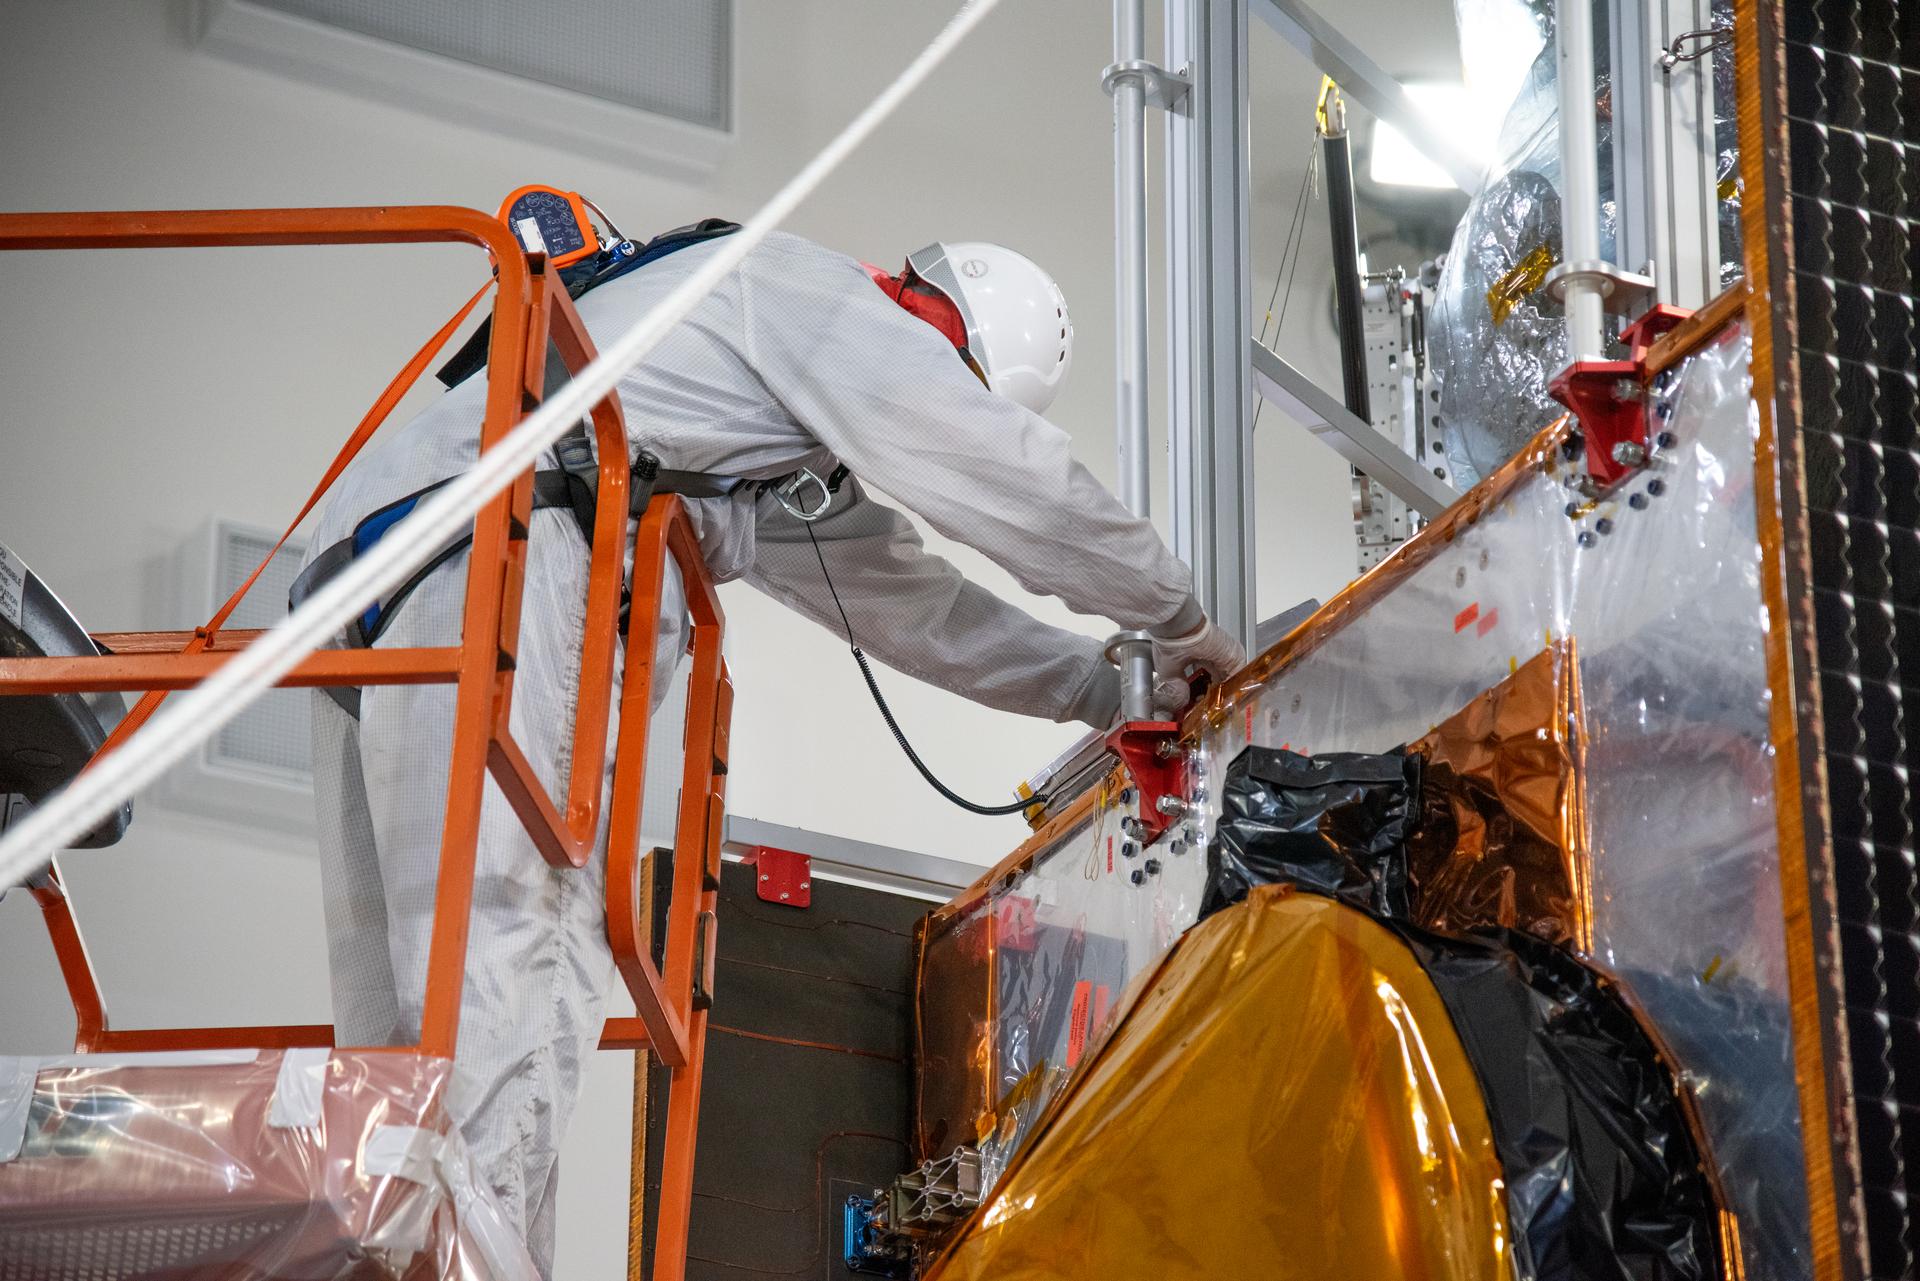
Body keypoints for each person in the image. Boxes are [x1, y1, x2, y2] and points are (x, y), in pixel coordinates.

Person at [302, 224, 1243, 1273]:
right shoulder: (833, 304)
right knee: (513, 969)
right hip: (510, 547)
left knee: (404, 1038)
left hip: (379, 575)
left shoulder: (747, 421)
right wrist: (1188, 623)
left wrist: (1101, 685)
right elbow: (1012, 482)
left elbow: (912, 606)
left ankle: (402, 1261)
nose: (931, 405)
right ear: (925, 314)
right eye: (953, 383)